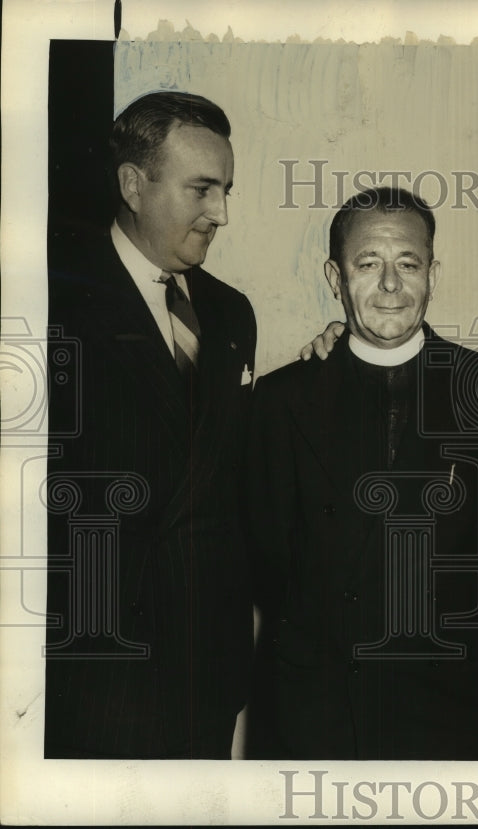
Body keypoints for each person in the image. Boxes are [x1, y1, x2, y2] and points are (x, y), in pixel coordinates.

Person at [244, 187, 478, 759]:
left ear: (433, 274)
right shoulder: (281, 398)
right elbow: (267, 563)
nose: (390, 285)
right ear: (335, 278)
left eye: (408, 264)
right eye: (368, 264)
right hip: (316, 713)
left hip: (450, 715)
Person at [46, 91, 256, 758]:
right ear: (133, 185)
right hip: (99, 668)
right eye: (201, 189)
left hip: (208, 668)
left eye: (224, 189)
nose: (219, 212)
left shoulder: (230, 313)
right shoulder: (52, 299)